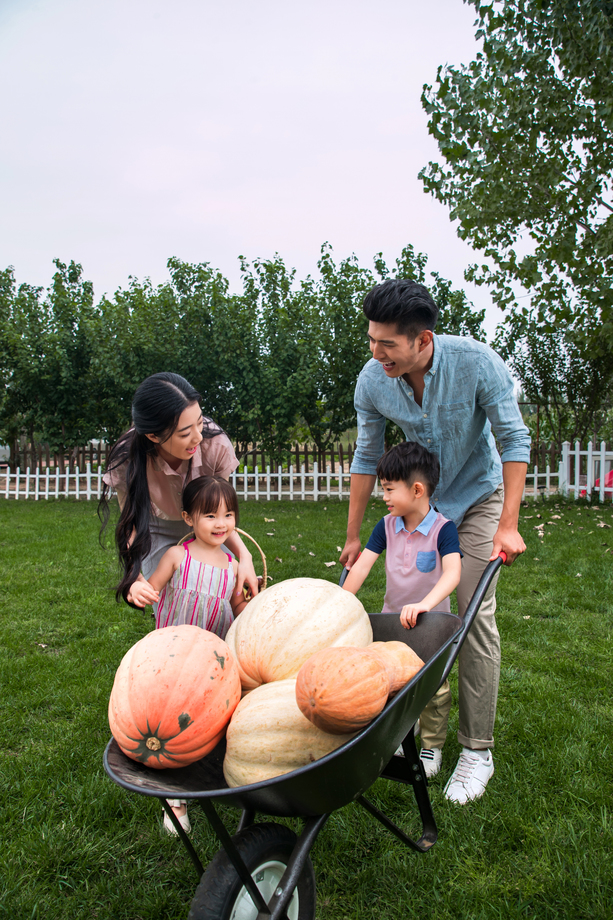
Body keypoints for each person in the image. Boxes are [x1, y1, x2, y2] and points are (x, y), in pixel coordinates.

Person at [340, 279, 530, 804]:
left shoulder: (477, 363)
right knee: (415, 612)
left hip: (478, 498)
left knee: (469, 612)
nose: (377, 354)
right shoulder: (374, 381)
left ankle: (476, 750)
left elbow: (514, 439)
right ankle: (426, 739)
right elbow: (365, 457)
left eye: (388, 345)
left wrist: (507, 523)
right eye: (372, 341)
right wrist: (356, 535)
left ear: (422, 340)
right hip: (421, 503)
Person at [129, 475, 253, 836]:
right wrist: (143, 592)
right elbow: (151, 588)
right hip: (173, 656)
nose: (221, 524)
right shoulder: (176, 557)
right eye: (210, 516)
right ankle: (175, 799)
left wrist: (254, 608)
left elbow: (237, 606)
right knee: (170, 724)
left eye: (229, 515)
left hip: (212, 660)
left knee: (205, 720)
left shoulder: (231, 565)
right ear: (188, 518)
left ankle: (209, 771)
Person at [342, 441, 462, 779]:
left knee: (433, 689)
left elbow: (453, 573)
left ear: (417, 490)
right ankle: (399, 737)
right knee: (392, 681)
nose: (384, 496)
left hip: (431, 625)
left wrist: (425, 604)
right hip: (395, 621)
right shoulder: (386, 526)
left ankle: (432, 745)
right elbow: (363, 567)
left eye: (389, 489)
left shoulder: (443, 530)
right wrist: (340, 601)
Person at [99, 372, 258, 609]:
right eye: (185, 433)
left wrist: (245, 557)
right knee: (173, 602)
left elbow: (219, 513)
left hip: (208, 523)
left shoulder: (215, 445)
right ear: (153, 436)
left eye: (200, 421)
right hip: (157, 527)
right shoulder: (128, 458)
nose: (198, 436)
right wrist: (134, 578)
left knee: (227, 595)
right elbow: (130, 523)